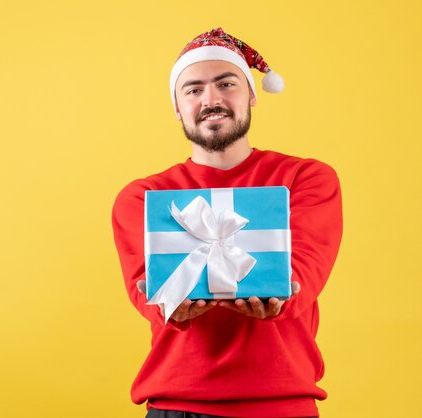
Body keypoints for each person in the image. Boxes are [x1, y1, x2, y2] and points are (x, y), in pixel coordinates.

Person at [111, 28, 343, 418]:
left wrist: (281, 297)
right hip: (175, 405)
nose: (211, 99)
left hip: (282, 406)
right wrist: (166, 305)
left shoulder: (307, 179)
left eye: (226, 83)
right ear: (177, 107)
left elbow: (303, 277)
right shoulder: (142, 196)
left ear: (251, 94)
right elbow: (147, 292)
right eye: (193, 89)